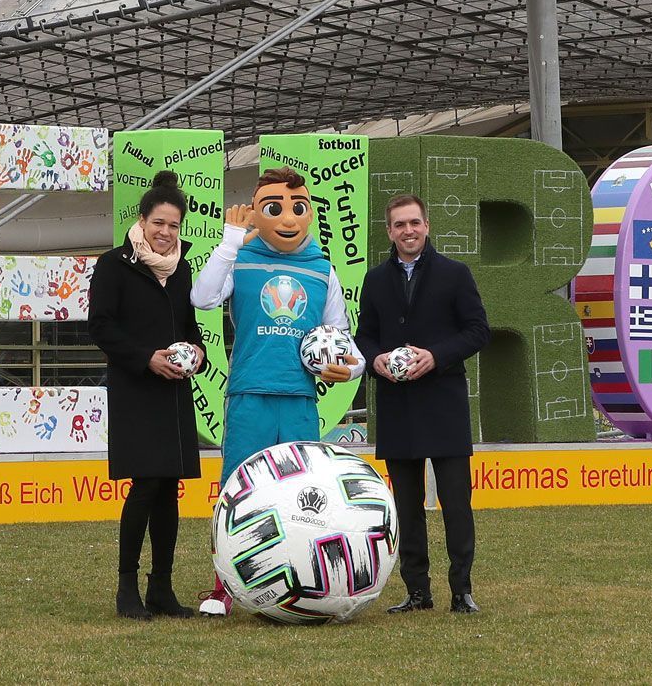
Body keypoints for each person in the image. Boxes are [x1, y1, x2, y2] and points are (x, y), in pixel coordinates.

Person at [190, 166, 361, 616]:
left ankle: (306, 579)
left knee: (305, 495)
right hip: (249, 394)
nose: (287, 218)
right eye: (274, 208)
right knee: (237, 491)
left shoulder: (323, 271)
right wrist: (230, 238)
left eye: (297, 208)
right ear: (257, 212)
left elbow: (343, 341)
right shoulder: (240, 257)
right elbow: (202, 297)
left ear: (308, 213)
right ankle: (223, 586)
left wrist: (350, 368)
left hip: (302, 400)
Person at [355, 193, 490, 614]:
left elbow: (477, 331)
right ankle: (417, 592)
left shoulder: (455, 274)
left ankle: (461, 590)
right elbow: (364, 335)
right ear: (389, 231)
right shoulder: (374, 280)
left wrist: (436, 355)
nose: (408, 231)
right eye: (399, 225)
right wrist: (375, 359)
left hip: (444, 402)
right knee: (406, 506)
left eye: (414, 223)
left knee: (455, 502)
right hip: (398, 407)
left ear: (427, 226)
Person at [89, 171, 205, 621]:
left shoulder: (183, 270)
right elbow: (100, 325)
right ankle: (126, 588)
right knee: (145, 485)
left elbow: (192, 330)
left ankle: (161, 588)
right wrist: (145, 359)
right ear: (142, 220)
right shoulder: (113, 264)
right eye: (159, 223)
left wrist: (197, 353)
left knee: (169, 490)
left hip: (174, 392)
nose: (166, 232)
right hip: (136, 389)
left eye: (174, 225)